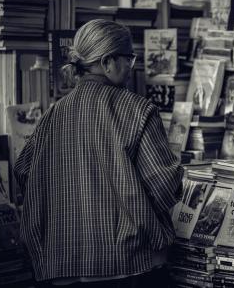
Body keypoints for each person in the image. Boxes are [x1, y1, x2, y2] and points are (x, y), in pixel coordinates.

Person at [14, 19, 183, 288]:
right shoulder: (138, 110)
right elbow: (164, 187)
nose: (131, 66)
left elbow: (23, 171)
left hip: (60, 267)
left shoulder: (52, 115)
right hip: (127, 265)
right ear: (107, 62)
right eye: (128, 58)